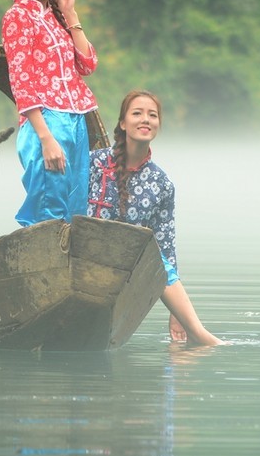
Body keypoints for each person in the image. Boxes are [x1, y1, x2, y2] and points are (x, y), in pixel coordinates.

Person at [88, 90, 224, 347]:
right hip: (84, 256)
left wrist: (176, 313)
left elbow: (165, 244)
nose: (145, 120)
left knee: (153, 252)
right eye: (137, 113)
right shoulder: (94, 163)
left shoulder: (161, 184)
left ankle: (197, 332)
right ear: (122, 123)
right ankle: (201, 336)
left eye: (152, 115)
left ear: (158, 125)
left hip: (123, 269)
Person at [2, 0, 99, 227]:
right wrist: (46, 139)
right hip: (45, 121)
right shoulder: (18, 17)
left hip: (76, 120)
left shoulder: (56, 16)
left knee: (76, 213)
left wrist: (70, 15)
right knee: (48, 214)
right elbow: (22, 81)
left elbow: (88, 63)